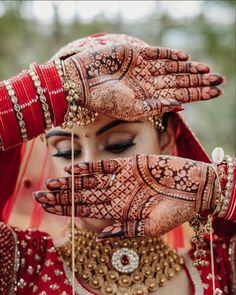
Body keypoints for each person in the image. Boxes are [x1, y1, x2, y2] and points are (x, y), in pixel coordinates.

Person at [0, 33, 235, 295]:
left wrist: (217, 188)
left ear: (166, 139)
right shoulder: (21, 267)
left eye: (118, 145)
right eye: (66, 152)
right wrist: (51, 88)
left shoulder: (220, 270)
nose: (88, 167)